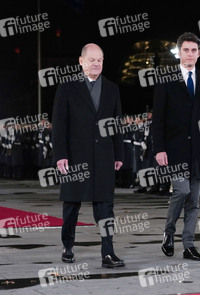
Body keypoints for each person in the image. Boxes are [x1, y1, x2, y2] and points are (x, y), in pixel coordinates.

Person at [52, 43, 125, 268]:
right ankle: (68, 246)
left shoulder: (112, 88)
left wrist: (118, 153)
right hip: (75, 156)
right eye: (91, 59)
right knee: (72, 205)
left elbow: (116, 124)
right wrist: (61, 155)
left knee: (105, 206)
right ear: (81, 61)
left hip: (103, 155)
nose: (96, 63)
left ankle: (108, 252)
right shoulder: (67, 88)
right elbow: (59, 124)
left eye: (100, 60)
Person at [152, 32, 200, 261]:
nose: (190, 54)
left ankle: (189, 245)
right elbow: (158, 119)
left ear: (199, 53)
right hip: (174, 150)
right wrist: (159, 148)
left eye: (194, 50)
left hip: (199, 151)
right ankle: (169, 232)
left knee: (194, 200)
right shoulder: (165, 80)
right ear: (179, 52)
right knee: (181, 190)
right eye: (186, 50)